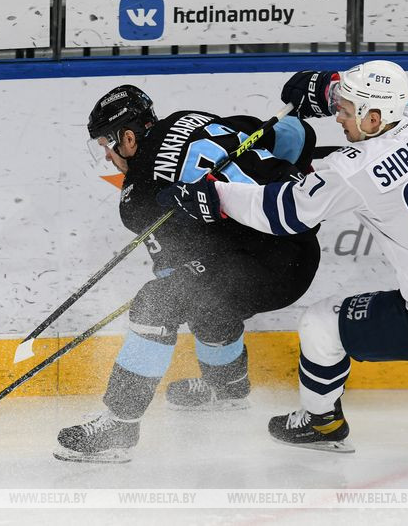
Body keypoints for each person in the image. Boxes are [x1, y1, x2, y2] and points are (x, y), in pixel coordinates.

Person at [163, 61, 408, 452]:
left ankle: (322, 423)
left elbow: (283, 213)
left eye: (347, 110)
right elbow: (406, 91)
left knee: (321, 324)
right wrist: (331, 91)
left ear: (374, 118)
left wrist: (215, 195)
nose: (339, 117)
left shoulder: (353, 169)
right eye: (340, 106)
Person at [55, 85, 321, 462]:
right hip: (301, 249)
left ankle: (119, 426)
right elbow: (298, 134)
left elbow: (173, 269)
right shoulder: (190, 119)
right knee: (203, 295)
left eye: (106, 145)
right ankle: (228, 389)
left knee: (157, 301)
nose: (107, 156)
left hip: (268, 267)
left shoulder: (139, 194)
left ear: (127, 138)